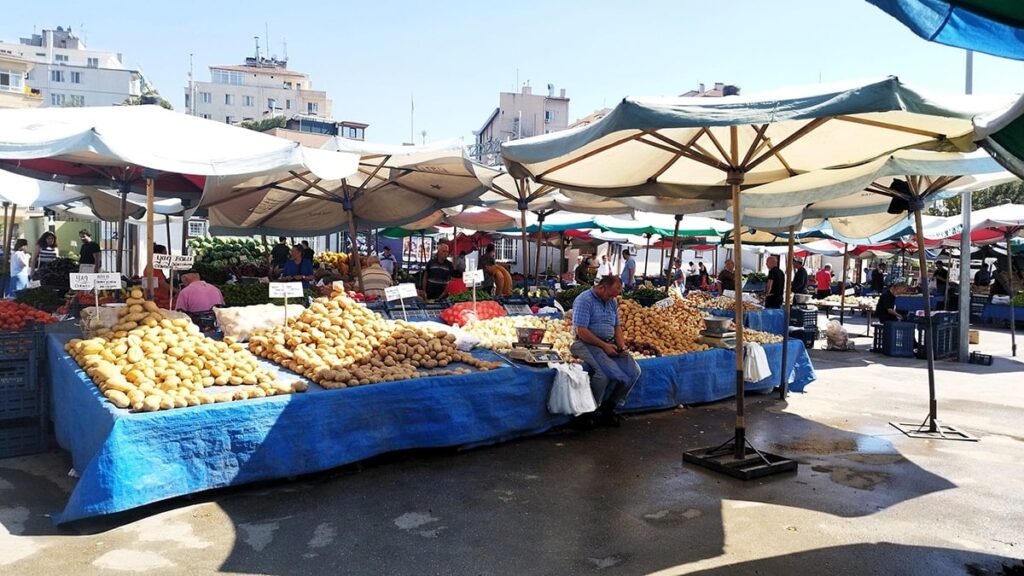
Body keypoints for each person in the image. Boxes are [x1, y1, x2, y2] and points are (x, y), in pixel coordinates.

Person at [570, 275, 641, 427]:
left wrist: (621, 346)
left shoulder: (612, 302)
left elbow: (617, 326)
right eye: (610, 294)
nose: (612, 298)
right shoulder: (584, 300)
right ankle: (589, 411)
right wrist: (604, 346)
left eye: (615, 295)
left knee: (634, 371)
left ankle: (609, 407)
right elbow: (581, 331)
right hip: (585, 343)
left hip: (610, 343)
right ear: (602, 287)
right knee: (603, 374)